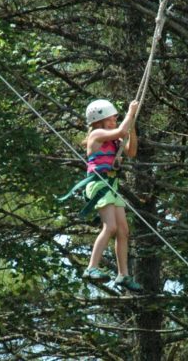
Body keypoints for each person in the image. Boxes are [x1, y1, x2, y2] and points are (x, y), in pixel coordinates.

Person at [80, 99, 143, 292]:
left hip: (111, 185)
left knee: (123, 230)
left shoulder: (115, 140)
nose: (113, 122)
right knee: (111, 226)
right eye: (110, 119)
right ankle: (91, 267)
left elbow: (131, 152)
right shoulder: (97, 134)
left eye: (115, 119)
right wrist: (130, 113)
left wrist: (132, 126)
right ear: (97, 121)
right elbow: (121, 131)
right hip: (99, 184)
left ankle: (123, 275)